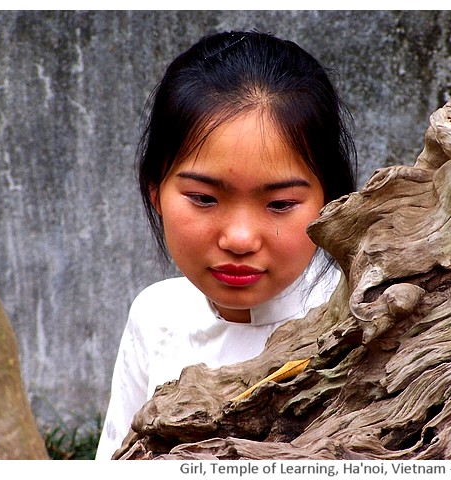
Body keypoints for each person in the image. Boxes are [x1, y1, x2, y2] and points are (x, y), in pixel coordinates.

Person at [96, 30, 356, 459]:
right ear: (154, 191)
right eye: (203, 198)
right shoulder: (156, 314)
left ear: (330, 203)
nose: (239, 238)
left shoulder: (364, 319)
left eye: (280, 203)